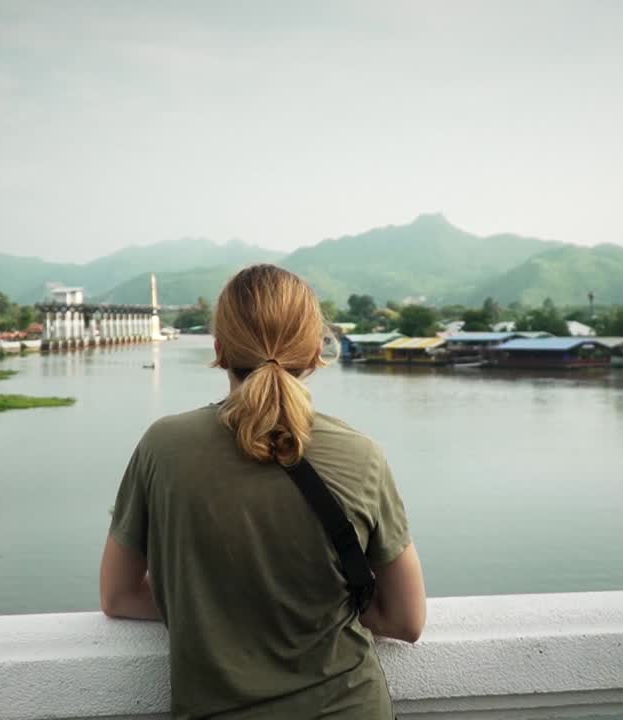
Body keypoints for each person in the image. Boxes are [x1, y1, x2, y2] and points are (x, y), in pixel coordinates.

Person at [100, 264, 426, 719]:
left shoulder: (163, 447)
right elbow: (405, 621)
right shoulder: (362, 456)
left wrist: (214, 609)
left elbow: (119, 596)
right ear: (315, 353)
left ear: (218, 350)